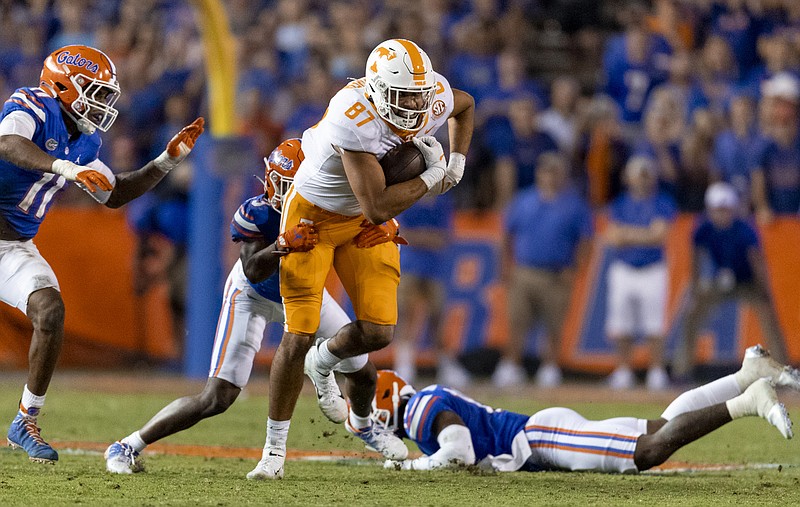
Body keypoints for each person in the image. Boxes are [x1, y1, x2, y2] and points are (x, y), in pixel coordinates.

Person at [104, 140, 387, 478]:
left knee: (364, 369)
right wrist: (282, 244)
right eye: (287, 184)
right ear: (270, 181)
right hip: (252, 295)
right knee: (218, 396)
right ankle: (128, 444)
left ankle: (364, 423)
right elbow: (253, 268)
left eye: (300, 184)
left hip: (305, 294)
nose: (292, 193)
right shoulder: (259, 212)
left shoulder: (331, 207)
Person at [267, 38, 474, 479]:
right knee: (297, 334)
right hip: (315, 219)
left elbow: (465, 105)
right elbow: (378, 205)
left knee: (380, 332)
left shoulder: (429, 96)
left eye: (420, 93)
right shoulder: (352, 114)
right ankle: (273, 451)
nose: (416, 105)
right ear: (377, 90)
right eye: (404, 96)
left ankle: (324, 363)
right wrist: (436, 173)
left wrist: (457, 159)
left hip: (359, 222)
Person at [0, 45, 204, 464]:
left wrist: (165, 161)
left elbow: (114, 194)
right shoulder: (32, 105)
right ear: (63, 85)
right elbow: (8, 143)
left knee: (50, 311)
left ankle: (25, 420)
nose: (102, 102)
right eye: (94, 90)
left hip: (12, 247)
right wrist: (66, 169)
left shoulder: (87, 140)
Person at [376, 343, 798, 473]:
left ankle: (750, 400)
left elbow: (460, 450)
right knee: (660, 425)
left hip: (540, 439)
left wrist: (410, 466)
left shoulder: (419, 411)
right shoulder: (427, 398)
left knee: (645, 452)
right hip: (541, 433)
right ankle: (745, 375)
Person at [491, 152, 592, 388]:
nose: (550, 176)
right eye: (546, 171)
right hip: (524, 270)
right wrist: (505, 267)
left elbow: (586, 240)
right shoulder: (523, 200)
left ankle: (550, 367)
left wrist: (575, 268)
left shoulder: (574, 204)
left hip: (556, 273)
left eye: (555, 171)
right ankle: (511, 365)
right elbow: (505, 235)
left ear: (562, 175)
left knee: (553, 324)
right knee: (516, 322)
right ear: (539, 174)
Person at [673, 182, 789, 381]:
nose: (722, 215)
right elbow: (696, 257)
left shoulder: (744, 230)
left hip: (748, 281)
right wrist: (696, 287)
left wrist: (764, 291)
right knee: (692, 314)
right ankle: (682, 370)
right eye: (717, 210)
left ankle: (783, 372)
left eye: (725, 210)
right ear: (709, 210)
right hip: (720, 279)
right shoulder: (703, 228)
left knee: (769, 318)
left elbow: (757, 262)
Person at [604, 156, 677, 391]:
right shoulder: (620, 203)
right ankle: (624, 369)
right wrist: (643, 235)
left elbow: (659, 235)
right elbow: (614, 237)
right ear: (628, 178)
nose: (642, 180)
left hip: (652, 268)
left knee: (654, 322)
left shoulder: (661, 202)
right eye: (638, 175)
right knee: (621, 321)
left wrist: (629, 235)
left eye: (646, 175)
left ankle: (656, 370)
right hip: (624, 268)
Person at [392, 191, 471, 388]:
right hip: (410, 266)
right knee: (407, 315)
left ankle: (444, 365)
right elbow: (402, 233)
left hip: (435, 268)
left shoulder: (443, 201)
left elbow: (444, 237)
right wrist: (427, 237)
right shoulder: (408, 196)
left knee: (437, 317)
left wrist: (421, 237)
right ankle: (404, 364)